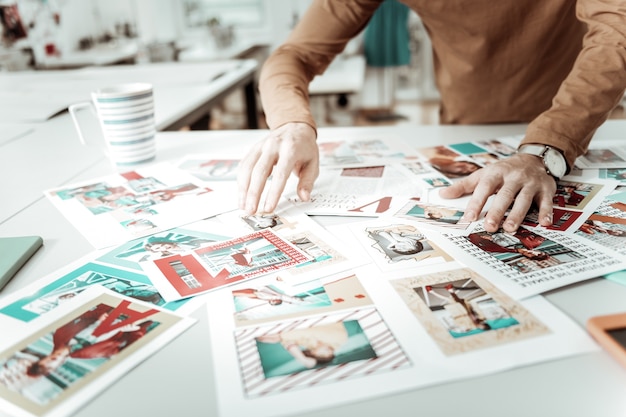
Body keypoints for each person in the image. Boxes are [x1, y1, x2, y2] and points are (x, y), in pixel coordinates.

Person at [237, 0, 626, 235]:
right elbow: (294, 55)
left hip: (573, 131)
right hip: (465, 124)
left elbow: (616, 34)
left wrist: (547, 147)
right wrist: (292, 123)